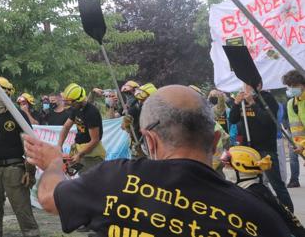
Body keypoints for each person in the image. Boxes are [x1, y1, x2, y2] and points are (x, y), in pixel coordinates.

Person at [24, 85, 293, 237]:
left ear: (150, 141)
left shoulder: (112, 181)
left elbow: (49, 197)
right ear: (214, 141)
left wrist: (53, 164)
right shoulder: (261, 217)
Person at [0, 79, 38, 237]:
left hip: (14, 169)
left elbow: (30, 146)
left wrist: (30, 172)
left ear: (7, 93)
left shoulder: (18, 115)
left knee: (23, 212)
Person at [228, 83, 294, 210]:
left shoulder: (267, 98)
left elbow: (268, 121)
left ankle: (289, 214)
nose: (245, 88)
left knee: (276, 183)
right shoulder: (241, 100)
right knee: (252, 182)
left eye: (248, 85)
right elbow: (233, 119)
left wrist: (252, 103)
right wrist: (236, 104)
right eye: (244, 85)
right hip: (248, 149)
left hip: (265, 148)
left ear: (258, 85)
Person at [57, 84, 104, 175]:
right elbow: (66, 127)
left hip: (91, 155)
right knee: (69, 176)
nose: (69, 105)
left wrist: (79, 155)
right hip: (80, 150)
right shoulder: (76, 108)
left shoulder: (91, 112)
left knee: (88, 184)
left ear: (79, 100)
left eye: (71, 102)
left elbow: (95, 140)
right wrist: (59, 146)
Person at [283, 69, 305, 187]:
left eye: (295, 85)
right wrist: (302, 148)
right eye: (289, 86)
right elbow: (297, 132)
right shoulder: (291, 104)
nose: (292, 88)